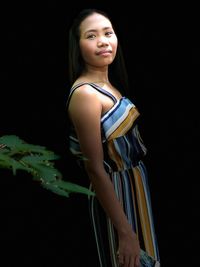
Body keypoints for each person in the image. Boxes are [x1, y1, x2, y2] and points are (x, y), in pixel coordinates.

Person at [66, 8, 160, 267]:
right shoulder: (86, 94)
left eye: (108, 33)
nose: (103, 41)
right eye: (91, 35)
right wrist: (126, 232)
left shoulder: (109, 86)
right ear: (78, 45)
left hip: (135, 188)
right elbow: (95, 168)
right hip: (117, 197)